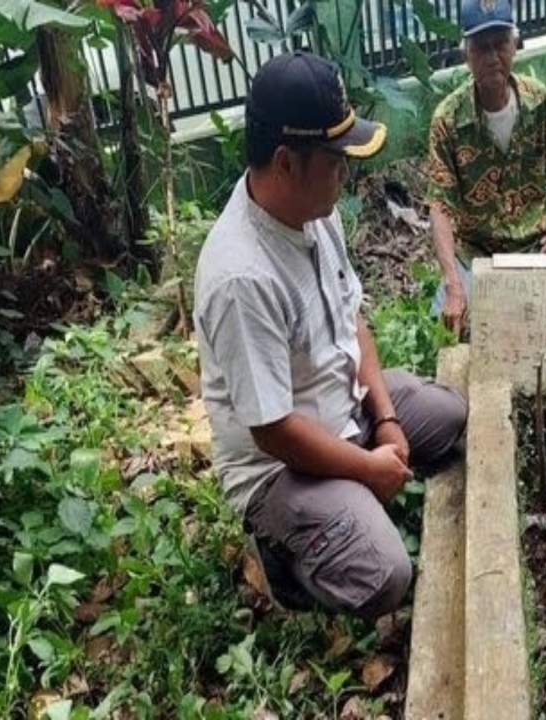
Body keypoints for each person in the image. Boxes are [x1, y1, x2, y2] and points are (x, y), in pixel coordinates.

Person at [193, 52, 468, 619]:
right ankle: (281, 557)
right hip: (282, 468)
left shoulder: (317, 212)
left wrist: (387, 419)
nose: (346, 172)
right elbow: (272, 430)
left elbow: (352, 319)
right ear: (286, 162)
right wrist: (369, 468)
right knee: (385, 575)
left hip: (343, 409)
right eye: (335, 159)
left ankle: (351, 493)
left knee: (448, 416)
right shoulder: (241, 275)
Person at [425, 0, 546, 334]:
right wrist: (452, 282)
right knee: (453, 329)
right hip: (474, 253)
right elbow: (440, 207)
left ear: (514, 45)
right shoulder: (447, 119)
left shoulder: (539, 102)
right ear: (466, 53)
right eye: (481, 47)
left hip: (532, 248)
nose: (493, 57)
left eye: (500, 44)